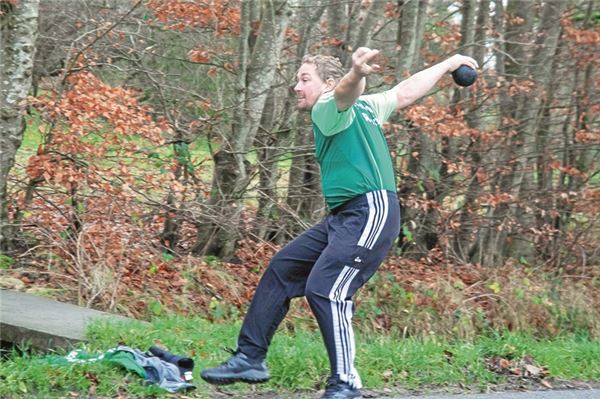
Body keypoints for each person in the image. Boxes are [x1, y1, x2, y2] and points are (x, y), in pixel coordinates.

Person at [201, 48, 478, 399]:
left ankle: (346, 383)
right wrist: (450, 63)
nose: (296, 87)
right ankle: (249, 358)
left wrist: (357, 74)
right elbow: (405, 91)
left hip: (370, 210)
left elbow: (346, 92)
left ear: (328, 84)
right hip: (344, 215)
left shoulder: (329, 106)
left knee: (327, 288)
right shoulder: (367, 107)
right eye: (297, 80)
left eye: (304, 80)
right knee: (283, 267)